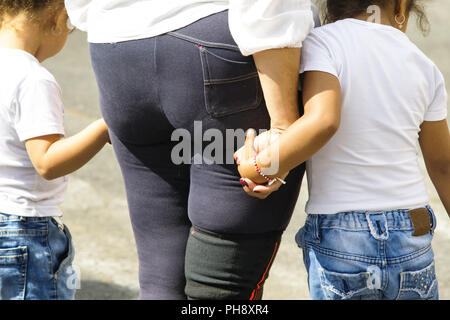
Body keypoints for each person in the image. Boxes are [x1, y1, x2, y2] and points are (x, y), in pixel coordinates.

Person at [65, 0, 319, 299]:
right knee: (223, 289)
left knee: (160, 280)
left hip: (117, 51)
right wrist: (283, 126)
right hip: (219, 48)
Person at [236, 0, 449, 300]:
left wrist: (259, 166)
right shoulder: (424, 65)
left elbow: (323, 120)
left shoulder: (323, 42)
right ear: (402, 6)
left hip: (343, 238)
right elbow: (443, 167)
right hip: (411, 234)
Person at [0, 0, 110, 300]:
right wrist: (104, 128)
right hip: (22, 231)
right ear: (58, 17)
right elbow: (47, 161)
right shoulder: (32, 79)